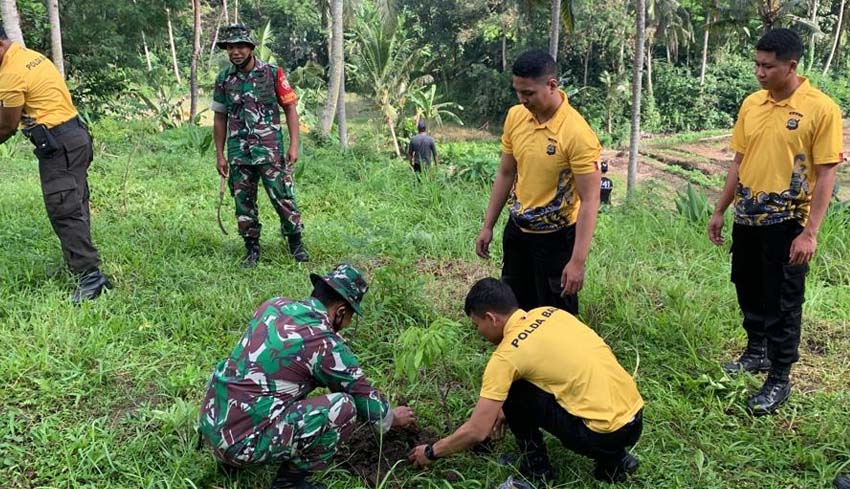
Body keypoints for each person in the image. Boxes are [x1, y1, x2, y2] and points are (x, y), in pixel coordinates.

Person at [708, 28, 844, 416]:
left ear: (791, 66)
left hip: (788, 223)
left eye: (767, 66)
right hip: (748, 218)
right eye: (756, 64)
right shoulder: (752, 104)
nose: (759, 72)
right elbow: (738, 162)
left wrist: (810, 233)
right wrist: (720, 210)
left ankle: (779, 377)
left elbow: (827, 173)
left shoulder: (820, 108)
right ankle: (756, 352)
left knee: (783, 300)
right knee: (747, 286)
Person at [198, 264, 416, 489]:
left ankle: (231, 460)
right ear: (341, 311)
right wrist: (392, 417)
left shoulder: (273, 306)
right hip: (239, 446)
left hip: (211, 424)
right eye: (351, 315)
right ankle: (289, 483)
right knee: (344, 407)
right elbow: (366, 401)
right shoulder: (325, 342)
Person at [409, 278, 644, 486]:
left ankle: (537, 471)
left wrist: (431, 452)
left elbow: (477, 431)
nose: (478, 332)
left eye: (476, 325)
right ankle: (615, 461)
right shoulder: (550, 312)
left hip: (600, 435)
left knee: (514, 389)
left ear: (491, 318)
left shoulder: (506, 357)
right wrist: (502, 411)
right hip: (635, 418)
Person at [474, 49, 602, 315]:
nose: (522, 99)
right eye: (518, 92)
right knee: (515, 306)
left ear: (552, 85)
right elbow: (506, 173)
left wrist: (577, 261)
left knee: (556, 312)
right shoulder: (515, 117)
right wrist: (488, 226)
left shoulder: (577, 134)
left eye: (529, 93)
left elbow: (590, 199)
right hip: (518, 231)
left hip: (557, 239)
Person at [0, 25, 111, 305]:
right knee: (75, 203)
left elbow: (6, 126)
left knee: (63, 208)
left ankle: (90, 278)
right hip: (75, 136)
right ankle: (82, 266)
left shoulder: (11, 73)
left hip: (59, 143)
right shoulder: (28, 56)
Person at [212, 24, 309, 267]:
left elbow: (289, 108)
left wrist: (294, 145)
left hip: (270, 150)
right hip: (239, 153)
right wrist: (220, 155)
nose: (235, 52)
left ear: (251, 48)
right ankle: (252, 248)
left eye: (240, 46)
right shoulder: (224, 79)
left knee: (282, 197)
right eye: (230, 47)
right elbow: (220, 117)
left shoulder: (272, 73)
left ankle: (295, 244)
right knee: (243, 201)